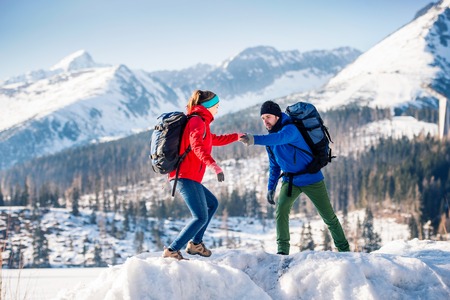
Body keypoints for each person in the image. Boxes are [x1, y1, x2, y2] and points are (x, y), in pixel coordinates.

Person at [239, 100, 350, 255]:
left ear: (277, 116)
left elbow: (279, 139)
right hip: (290, 181)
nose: (265, 121)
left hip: (312, 179)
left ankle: (345, 250)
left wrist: (254, 139)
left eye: (268, 117)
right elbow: (274, 165)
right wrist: (271, 188)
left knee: (328, 217)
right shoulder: (270, 139)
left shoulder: (290, 130)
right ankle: (282, 251)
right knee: (281, 211)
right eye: (263, 118)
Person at [163, 90, 242, 260]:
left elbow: (214, 139)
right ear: (208, 106)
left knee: (212, 204)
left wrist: (237, 136)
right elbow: (197, 145)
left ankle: (196, 244)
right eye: (217, 106)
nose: (218, 109)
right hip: (184, 176)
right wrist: (213, 165)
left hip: (190, 177)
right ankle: (172, 250)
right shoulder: (197, 121)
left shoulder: (202, 122)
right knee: (199, 217)